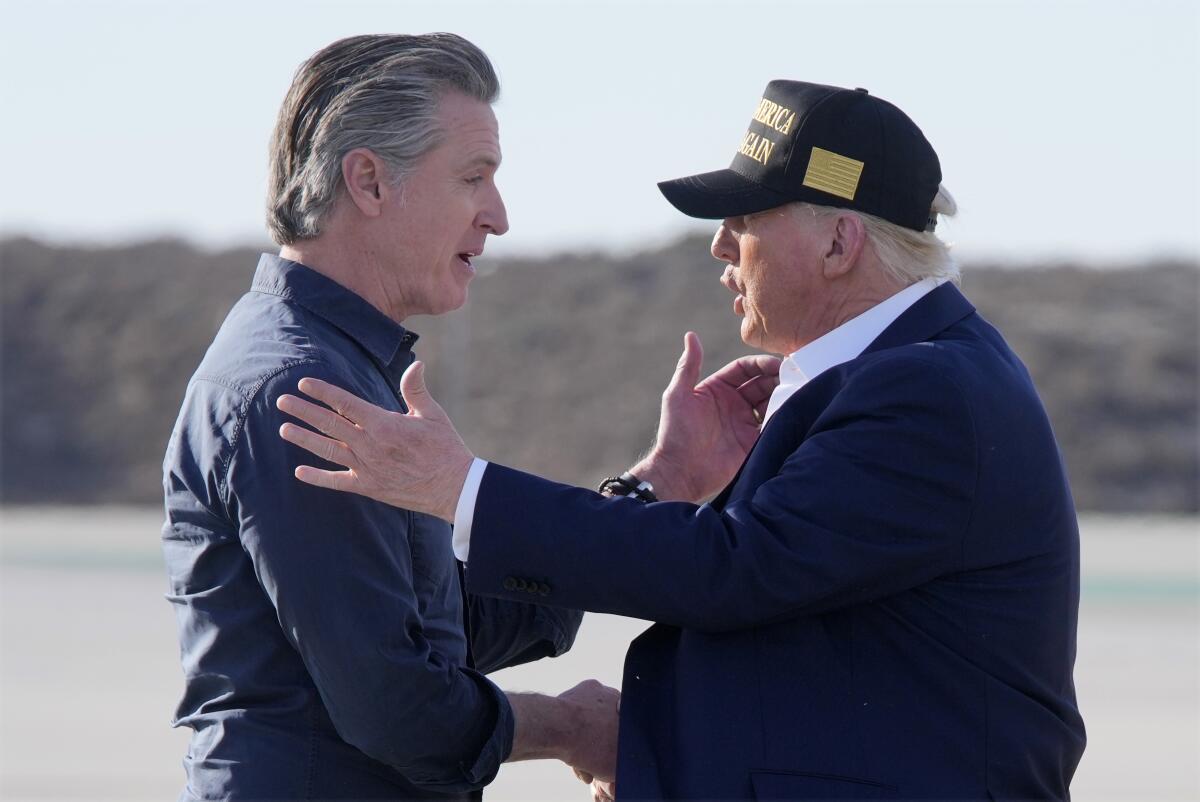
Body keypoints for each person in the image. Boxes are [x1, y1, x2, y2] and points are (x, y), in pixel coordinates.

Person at [276, 80, 1087, 800]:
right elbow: (805, 644)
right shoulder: (902, 373)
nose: (720, 246)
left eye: (745, 219)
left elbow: (736, 573)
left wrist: (461, 487)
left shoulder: (926, 388)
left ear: (840, 242)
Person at [161, 33, 633, 800]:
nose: (499, 216)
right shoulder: (303, 387)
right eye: (474, 177)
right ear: (371, 182)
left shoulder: (340, 367)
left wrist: (653, 487)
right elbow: (396, 704)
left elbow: (443, 624)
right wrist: (572, 728)